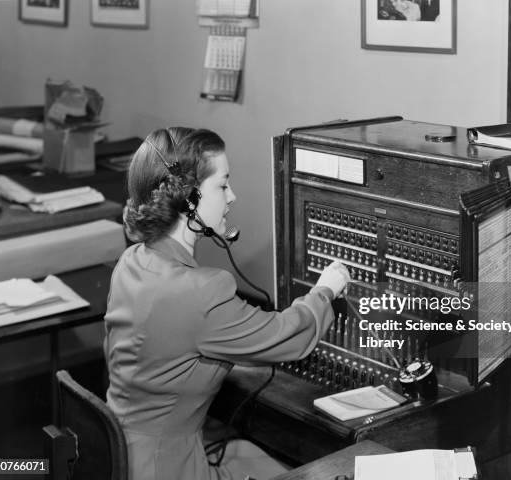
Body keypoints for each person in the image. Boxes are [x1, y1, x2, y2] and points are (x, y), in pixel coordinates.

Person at [104, 127, 351, 480]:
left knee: (240, 450)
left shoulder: (132, 261)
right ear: (188, 199)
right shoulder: (201, 290)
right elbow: (290, 337)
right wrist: (325, 291)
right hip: (167, 467)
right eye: (222, 185)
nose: (232, 196)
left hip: (119, 455)